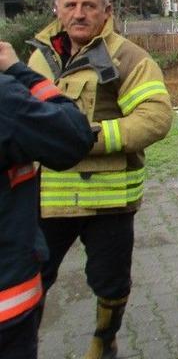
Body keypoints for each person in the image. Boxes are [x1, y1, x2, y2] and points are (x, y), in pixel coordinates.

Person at [27, 0, 172, 359]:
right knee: (29, 279)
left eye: (89, 5)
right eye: (70, 5)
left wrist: (86, 138)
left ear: (107, 11)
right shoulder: (39, 58)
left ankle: (104, 342)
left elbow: (156, 118)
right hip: (48, 199)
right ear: (57, 9)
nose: (79, 13)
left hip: (108, 201)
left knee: (111, 283)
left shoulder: (130, 59)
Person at [0, 41, 94, 359]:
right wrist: (19, 72)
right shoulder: (6, 99)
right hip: (8, 307)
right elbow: (74, 134)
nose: (78, 16)